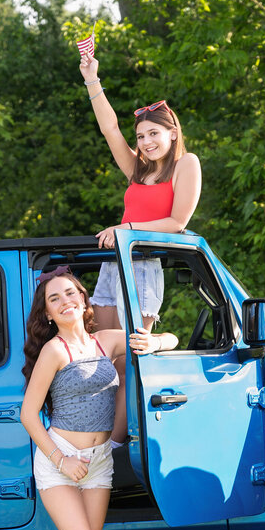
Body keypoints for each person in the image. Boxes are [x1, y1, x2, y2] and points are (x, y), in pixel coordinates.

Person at [20, 266, 177, 530]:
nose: (66, 301)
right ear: (48, 314)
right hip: (59, 461)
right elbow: (28, 413)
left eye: (71, 293)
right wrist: (60, 457)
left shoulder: (104, 342)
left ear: (84, 300)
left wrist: (153, 344)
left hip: (99, 462)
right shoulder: (54, 351)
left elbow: (170, 337)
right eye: (55, 298)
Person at [78, 52, 202, 332]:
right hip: (113, 260)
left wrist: (127, 228)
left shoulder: (186, 164)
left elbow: (177, 223)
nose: (146, 142)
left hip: (142, 262)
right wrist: (91, 79)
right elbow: (110, 129)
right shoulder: (139, 169)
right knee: (101, 347)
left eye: (153, 133)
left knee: (129, 355)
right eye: (141, 136)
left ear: (172, 133)